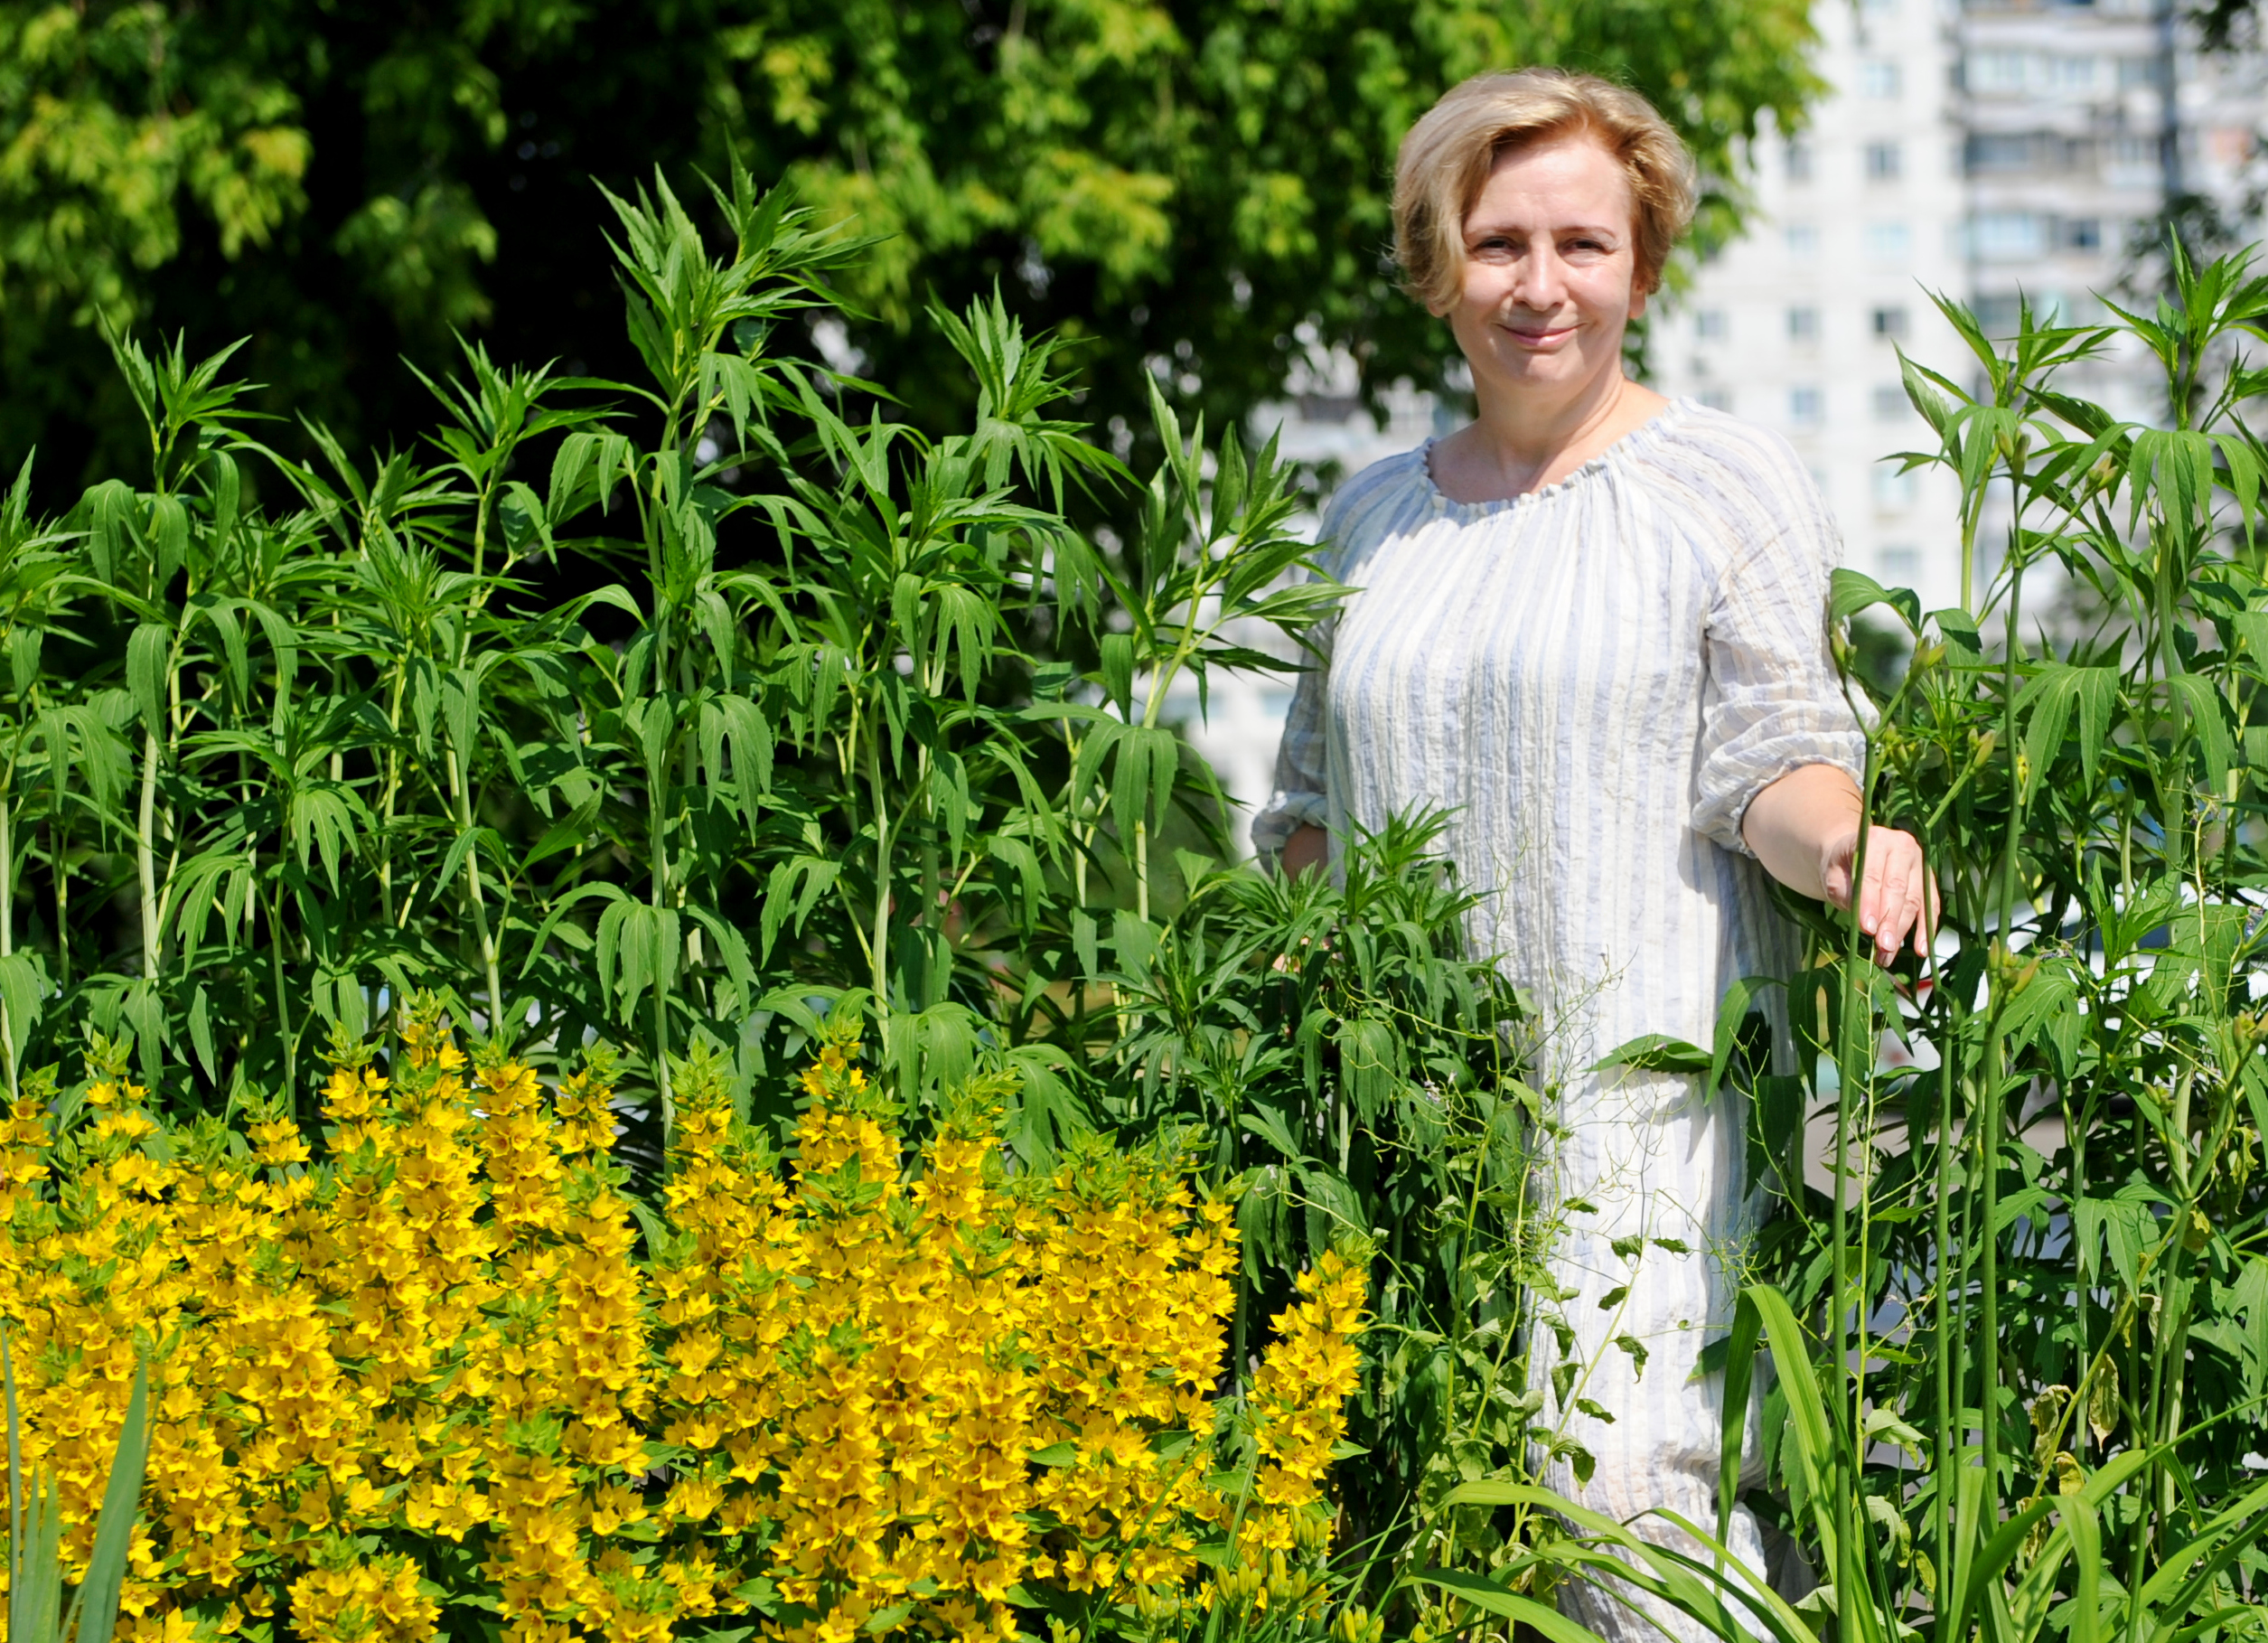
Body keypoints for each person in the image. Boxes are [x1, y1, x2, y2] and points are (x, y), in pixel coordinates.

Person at [1251, 69, 1935, 1641]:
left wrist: (1849, 843)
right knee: (1414, 1518)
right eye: (1496, 244)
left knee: (1617, 1500)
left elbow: (1773, 761)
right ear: (1438, 262)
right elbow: (1305, 819)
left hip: (1639, 1116)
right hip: (1404, 1118)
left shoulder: (1720, 481)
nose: (1538, 286)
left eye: (1581, 243)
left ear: (1641, 259)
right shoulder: (1365, 523)